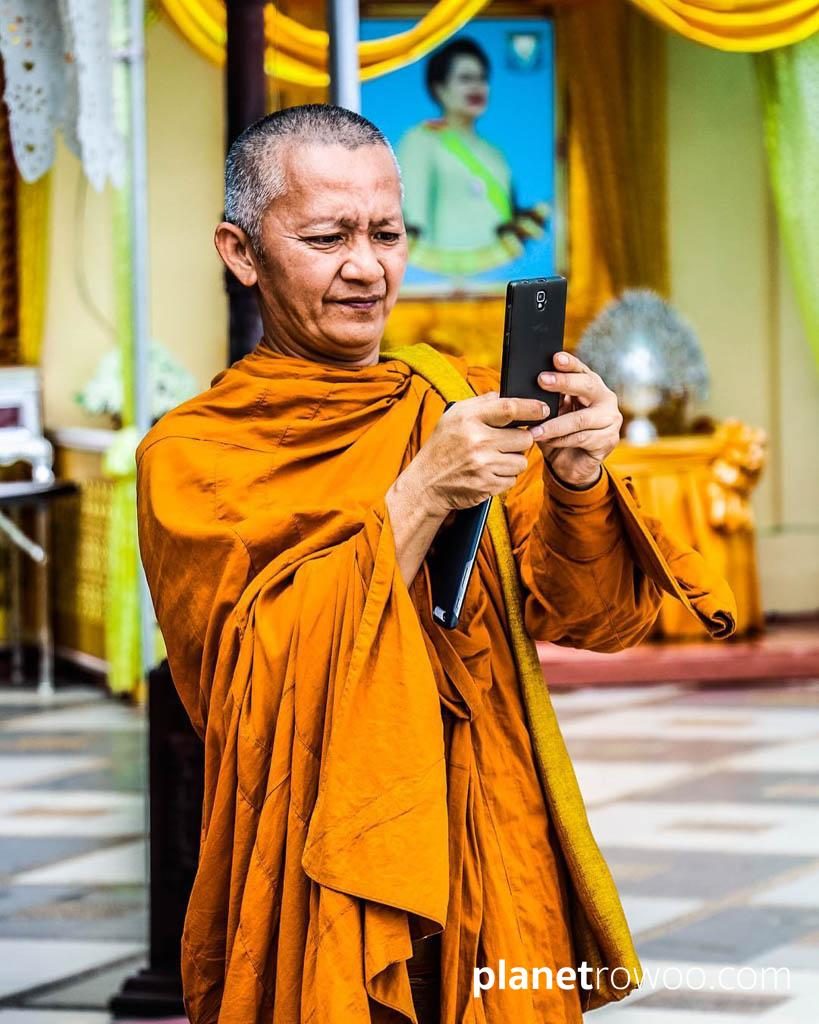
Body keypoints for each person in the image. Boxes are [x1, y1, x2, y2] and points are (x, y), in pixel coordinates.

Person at [136, 104, 736, 1024]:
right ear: (240, 251)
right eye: (327, 238)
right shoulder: (196, 454)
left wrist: (577, 477)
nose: (366, 267)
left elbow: (597, 619)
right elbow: (249, 688)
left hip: (487, 841)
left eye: (386, 234)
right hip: (318, 860)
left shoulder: (452, 400)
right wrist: (419, 496)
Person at [396, 37, 550, 277]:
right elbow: (412, 229)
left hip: (501, 276)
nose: (477, 87)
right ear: (439, 88)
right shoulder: (421, 141)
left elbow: (509, 225)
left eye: (482, 79)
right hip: (433, 281)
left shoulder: (495, 155)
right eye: (466, 79)